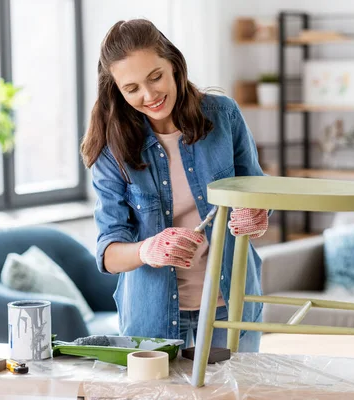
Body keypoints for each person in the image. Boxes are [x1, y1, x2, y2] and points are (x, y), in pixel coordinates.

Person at [80, 19, 269, 352]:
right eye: (132, 88)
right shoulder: (112, 148)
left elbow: (257, 192)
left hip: (232, 303)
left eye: (155, 77)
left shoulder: (223, 115)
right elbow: (108, 254)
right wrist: (147, 249)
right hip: (152, 314)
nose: (149, 95)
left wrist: (257, 212)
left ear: (174, 66)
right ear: (118, 91)